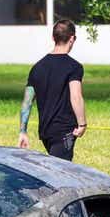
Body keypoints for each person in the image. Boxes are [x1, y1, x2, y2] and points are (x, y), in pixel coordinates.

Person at [18, 19, 87, 161]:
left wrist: (22, 132)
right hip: (65, 131)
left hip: (46, 131)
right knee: (61, 172)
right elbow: (76, 97)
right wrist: (82, 124)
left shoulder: (37, 68)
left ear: (53, 37)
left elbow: (27, 102)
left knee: (56, 167)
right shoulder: (74, 67)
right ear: (72, 38)